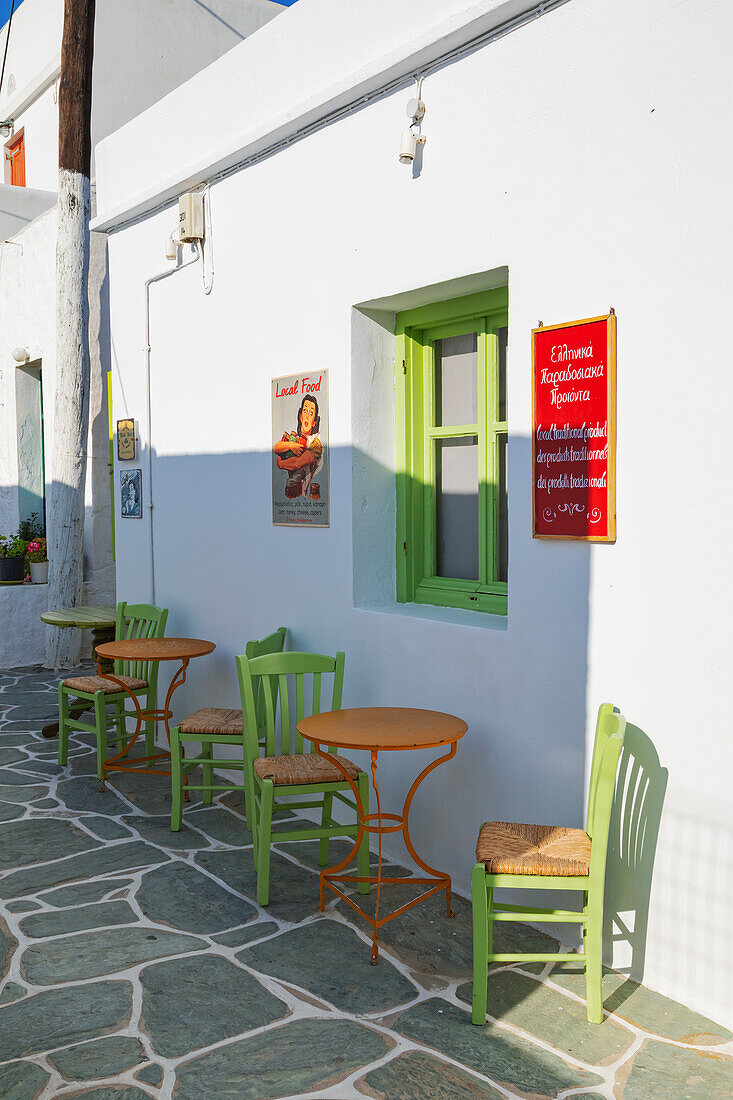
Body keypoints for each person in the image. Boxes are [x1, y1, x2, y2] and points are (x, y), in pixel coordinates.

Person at [273, 394, 323, 497]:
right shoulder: (295, 438)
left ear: (314, 422)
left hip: (305, 494)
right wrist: (291, 445)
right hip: (291, 491)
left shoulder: (315, 443)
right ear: (301, 416)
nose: (307, 415)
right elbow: (276, 448)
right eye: (305, 411)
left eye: (311, 413)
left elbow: (297, 463)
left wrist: (281, 464)